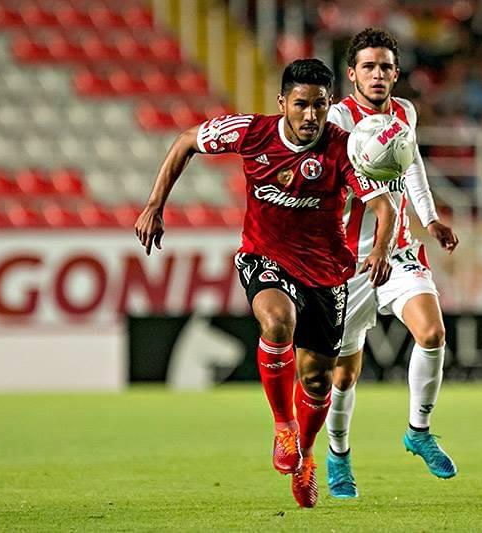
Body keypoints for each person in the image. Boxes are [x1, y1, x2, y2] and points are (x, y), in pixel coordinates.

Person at [134, 58, 398, 508]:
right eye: (300, 105)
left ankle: (308, 456)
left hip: (327, 273)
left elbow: (384, 207)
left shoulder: (345, 147)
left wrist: (379, 249)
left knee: (317, 381)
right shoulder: (251, 132)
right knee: (277, 322)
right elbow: (184, 142)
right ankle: (283, 426)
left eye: (319, 105)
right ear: (282, 103)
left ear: (329, 103)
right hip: (264, 256)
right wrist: (155, 205)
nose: (310, 116)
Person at [324, 28, 460, 499]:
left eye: (385, 67)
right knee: (344, 373)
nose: (377, 75)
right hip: (352, 261)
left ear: (395, 73)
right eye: (368, 66)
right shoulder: (337, 118)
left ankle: (418, 431)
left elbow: (413, 165)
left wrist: (432, 218)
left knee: (433, 333)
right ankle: (338, 456)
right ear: (352, 73)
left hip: (400, 250)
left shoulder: (405, 112)